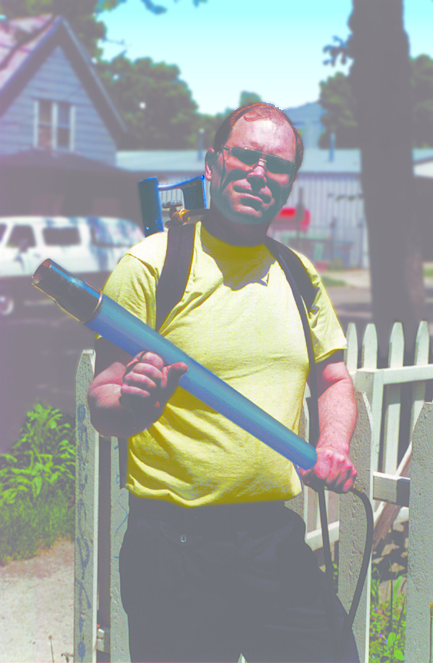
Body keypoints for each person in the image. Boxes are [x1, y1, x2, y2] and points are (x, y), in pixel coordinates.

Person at [88, 102, 359, 663]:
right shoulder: (151, 265)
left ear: (289, 184)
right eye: (246, 156)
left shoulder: (298, 275)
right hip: (173, 547)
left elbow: (333, 377)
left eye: (278, 166)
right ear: (214, 163)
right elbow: (103, 398)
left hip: (271, 539)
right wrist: (134, 404)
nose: (260, 173)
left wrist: (332, 444)